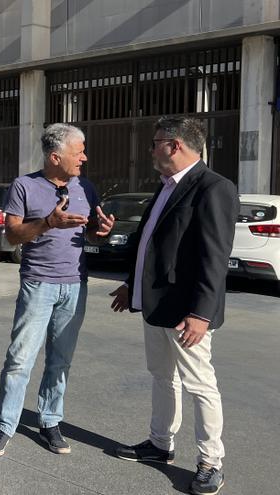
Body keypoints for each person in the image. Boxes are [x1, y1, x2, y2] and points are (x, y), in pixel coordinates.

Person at [110, 117, 237, 495]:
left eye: (155, 143)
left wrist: (201, 313)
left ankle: (211, 461)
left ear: (176, 145)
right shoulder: (165, 187)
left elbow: (213, 257)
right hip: (157, 304)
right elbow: (152, 243)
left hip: (187, 312)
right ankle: (160, 444)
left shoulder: (213, 187)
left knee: (200, 385)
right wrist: (131, 285)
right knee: (163, 377)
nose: (151, 150)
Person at [0, 123, 114, 457]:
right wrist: (48, 223)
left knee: (60, 360)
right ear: (56, 156)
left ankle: (50, 421)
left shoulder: (85, 186)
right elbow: (12, 237)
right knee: (19, 359)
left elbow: (88, 234)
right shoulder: (24, 186)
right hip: (38, 284)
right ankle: (4, 424)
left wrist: (100, 234)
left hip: (75, 285)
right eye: (79, 151)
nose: (84, 157)